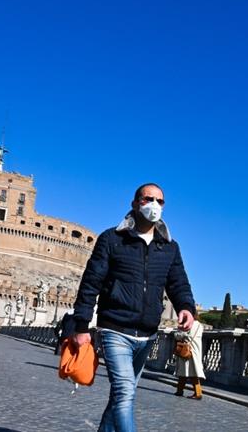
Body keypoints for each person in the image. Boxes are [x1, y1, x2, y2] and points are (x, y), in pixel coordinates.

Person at [71, 183, 197, 432]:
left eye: (159, 201)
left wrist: (186, 307)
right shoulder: (112, 239)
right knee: (126, 393)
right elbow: (91, 282)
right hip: (115, 329)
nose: (154, 205)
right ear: (134, 203)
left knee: (120, 395)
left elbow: (178, 282)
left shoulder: (169, 246)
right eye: (147, 199)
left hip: (148, 334)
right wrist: (81, 325)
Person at [174, 315, 205, 400]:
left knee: (188, 373)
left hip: (187, 351)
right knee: (186, 372)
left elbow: (179, 336)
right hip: (195, 351)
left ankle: (198, 393)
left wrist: (179, 329)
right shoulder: (200, 325)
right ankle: (179, 391)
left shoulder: (187, 324)